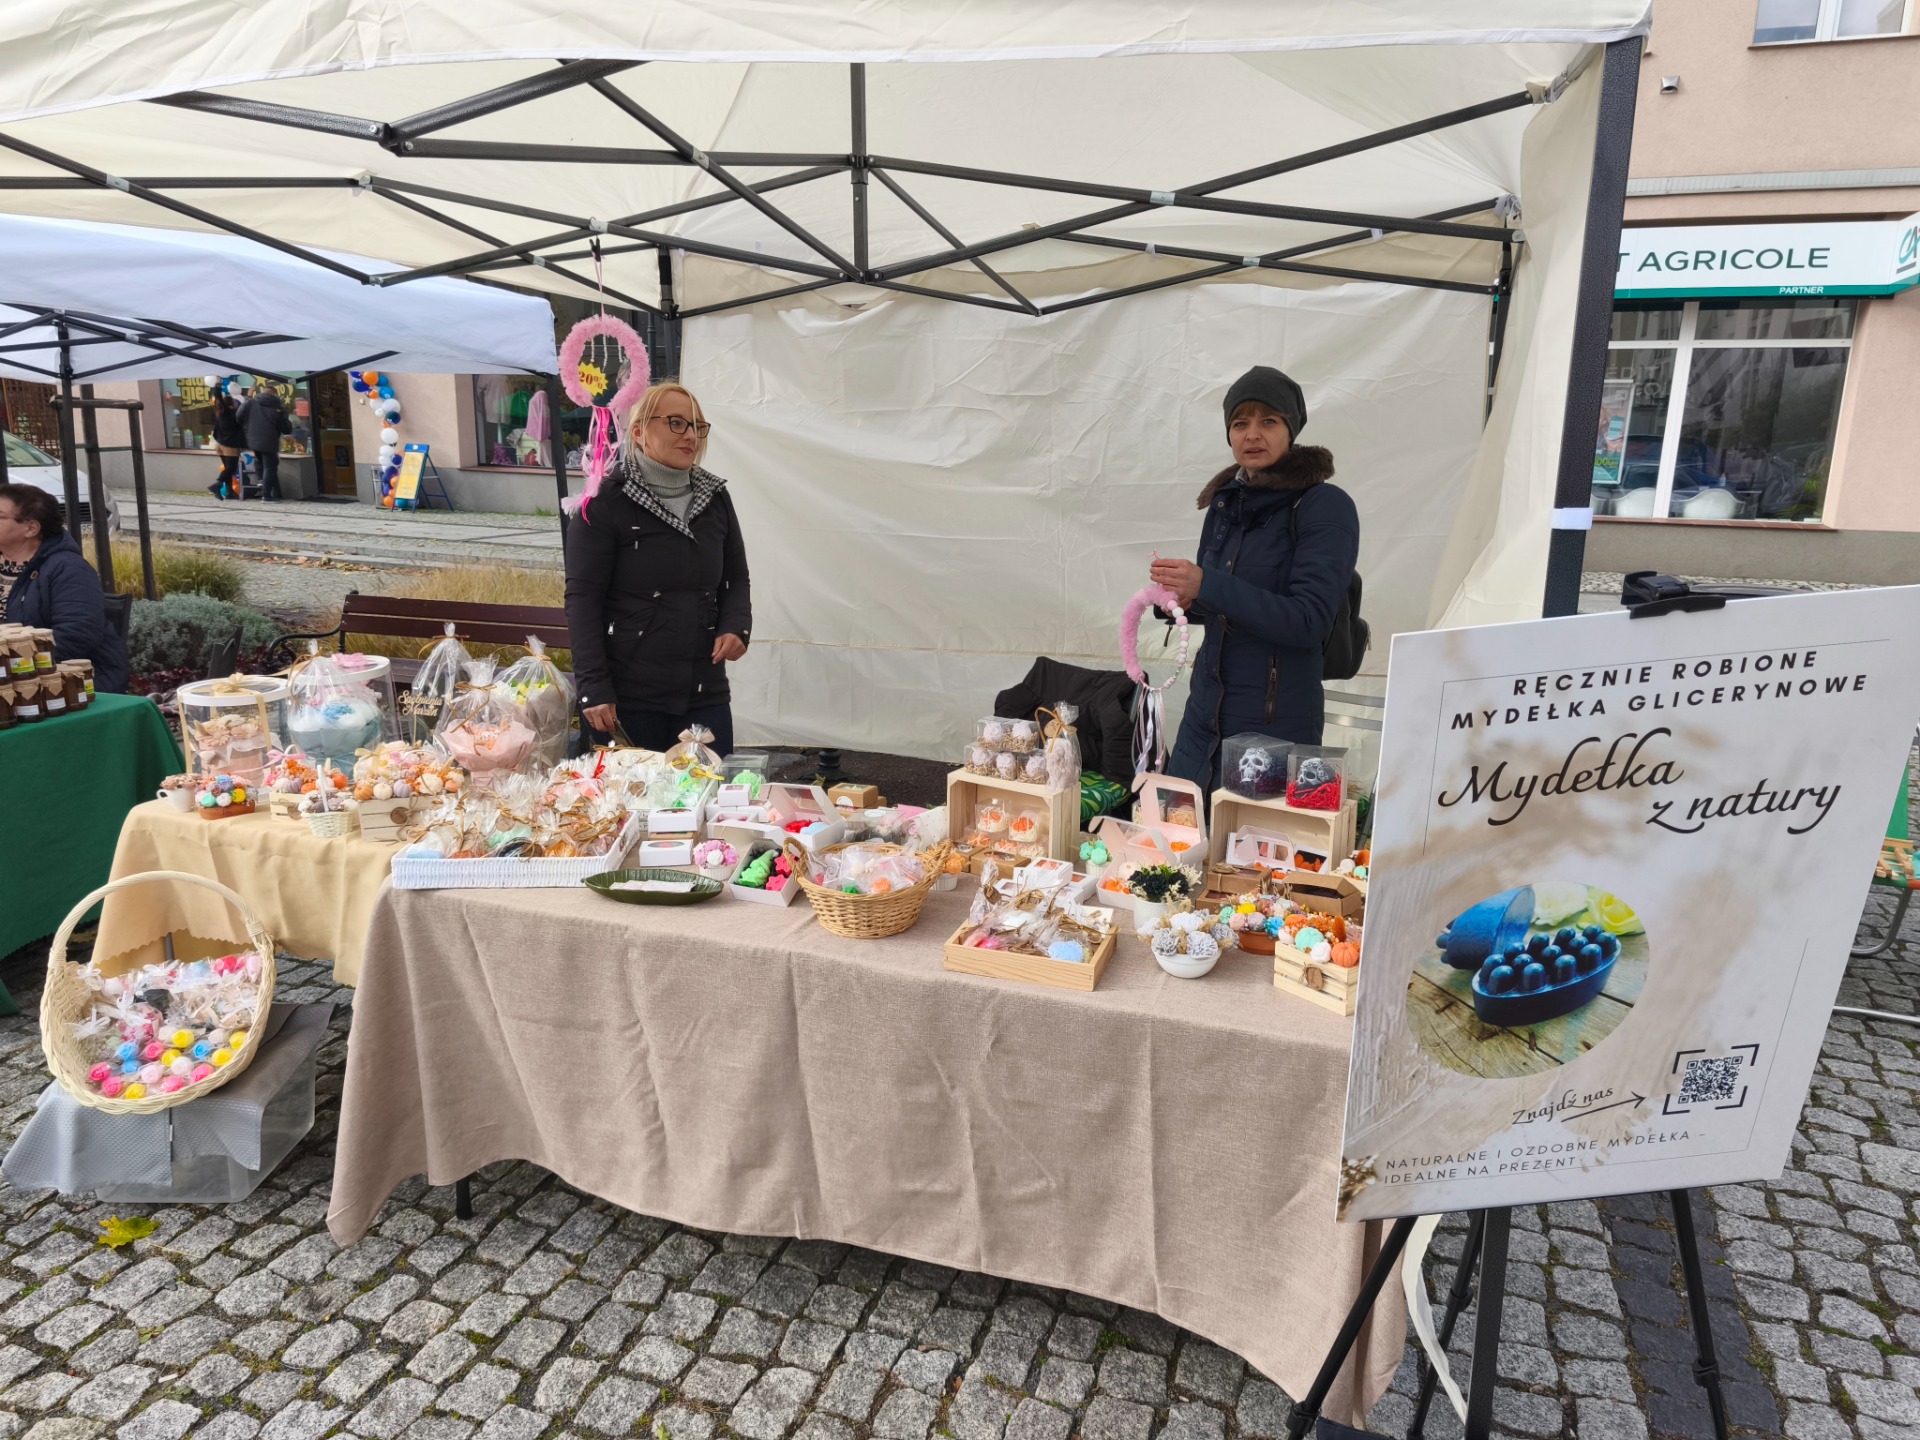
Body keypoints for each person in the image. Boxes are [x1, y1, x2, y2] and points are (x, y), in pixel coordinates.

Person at [1154, 366, 1358, 792]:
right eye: (1239, 423)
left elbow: (1308, 620)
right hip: (1203, 718)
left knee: (1251, 838)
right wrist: (1183, 600)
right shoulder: (1225, 504)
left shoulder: (1324, 505)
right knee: (1180, 830)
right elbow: (1225, 603)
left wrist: (1206, 585)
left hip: (1272, 730)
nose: (1252, 435)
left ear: (1291, 429)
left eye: (1268, 421)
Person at [564, 382, 751, 753]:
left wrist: (736, 625)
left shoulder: (715, 497)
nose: (690, 436)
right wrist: (593, 687)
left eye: (697, 426)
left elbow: (735, 578)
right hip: (627, 695)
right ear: (638, 431)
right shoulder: (604, 501)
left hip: (703, 689)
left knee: (712, 788)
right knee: (632, 791)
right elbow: (583, 600)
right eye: (676, 423)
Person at [0, 483, 129, 693]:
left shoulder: (68, 569)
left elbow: (76, 636)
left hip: (68, 684)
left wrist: (10, 663)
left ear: (31, 528)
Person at [236, 386, 292, 501]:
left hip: (253, 439)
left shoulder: (250, 403)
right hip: (269, 440)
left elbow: (238, 416)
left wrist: (248, 427)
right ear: (275, 394)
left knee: (260, 461)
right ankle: (266, 495)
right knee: (270, 467)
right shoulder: (277, 407)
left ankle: (262, 482)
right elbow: (286, 428)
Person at [208, 390, 244, 499]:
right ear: (231, 405)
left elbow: (218, 399)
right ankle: (217, 484)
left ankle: (229, 492)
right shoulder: (231, 414)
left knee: (227, 469)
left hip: (220, 444)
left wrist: (217, 387)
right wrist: (217, 387)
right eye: (234, 402)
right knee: (231, 469)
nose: (236, 404)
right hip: (230, 445)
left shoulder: (220, 414)